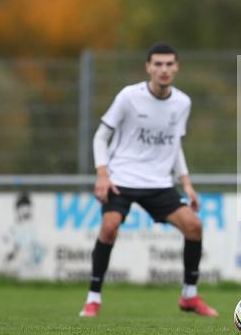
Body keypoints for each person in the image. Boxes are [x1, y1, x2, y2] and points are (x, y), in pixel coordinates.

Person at [79, 42, 217, 318]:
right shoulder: (129, 97)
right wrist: (102, 174)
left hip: (159, 183)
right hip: (122, 177)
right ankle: (93, 298)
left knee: (194, 226)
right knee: (109, 226)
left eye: (169, 64)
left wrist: (186, 183)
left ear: (176, 67)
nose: (163, 70)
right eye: (158, 64)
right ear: (148, 67)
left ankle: (189, 296)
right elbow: (100, 136)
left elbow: (174, 145)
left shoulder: (182, 102)